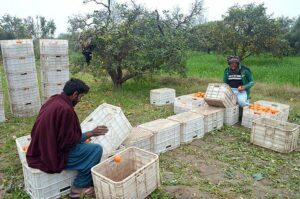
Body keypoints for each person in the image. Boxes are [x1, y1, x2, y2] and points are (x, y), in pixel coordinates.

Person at [26, 78, 108, 198]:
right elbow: (68, 142)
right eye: (81, 97)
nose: (80, 100)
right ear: (75, 94)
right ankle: (78, 187)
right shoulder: (66, 110)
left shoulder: (53, 100)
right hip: (51, 155)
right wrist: (91, 133)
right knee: (96, 150)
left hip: (39, 148)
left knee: (85, 146)